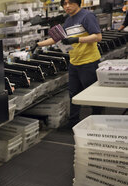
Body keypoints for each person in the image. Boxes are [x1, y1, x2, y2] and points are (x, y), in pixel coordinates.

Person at [35, 0, 102, 128]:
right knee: (74, 94)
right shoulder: (68, 20)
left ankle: (98, 121)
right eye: (64, 4)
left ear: (77, 3)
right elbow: (57, 38)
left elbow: (98, 37)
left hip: (89, 62)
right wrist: (38, 44)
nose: (67, 6)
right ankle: (73, 122)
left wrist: (77, 39)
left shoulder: (87, 16)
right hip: (74, 62)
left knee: (93, 95)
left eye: (70, 3)